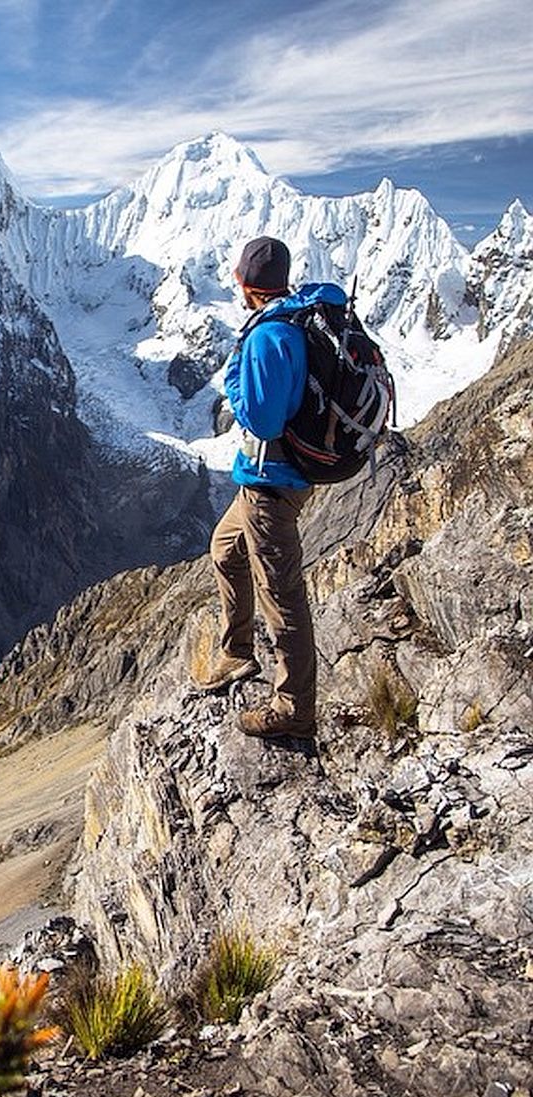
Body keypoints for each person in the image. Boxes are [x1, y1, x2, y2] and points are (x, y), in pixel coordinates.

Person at [194, 236, 345, 740]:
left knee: (282, 596)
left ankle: (294, 709)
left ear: (244, 282)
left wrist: (233, 379)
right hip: (270, 479)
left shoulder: (269, 336)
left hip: (271, 483)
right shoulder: (300, 316)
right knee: (225, 550)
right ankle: (236, 653)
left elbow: (261, 418)